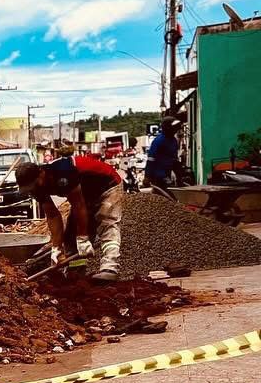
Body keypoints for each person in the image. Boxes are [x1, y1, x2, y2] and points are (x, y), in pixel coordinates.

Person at [15, 154, 122, 284]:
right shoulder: (37, 187)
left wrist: (83, 237)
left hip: (107, 185)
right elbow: (53, 216)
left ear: (41, 174)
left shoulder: (62, 173)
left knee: (107, 223)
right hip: (85, 195)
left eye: (33, 184)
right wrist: (56, 248)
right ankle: (75, 273)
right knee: (70, 235)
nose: (33, 189)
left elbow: (78, 205)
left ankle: (110, 268)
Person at [145, 118, 189, 198]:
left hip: (167, 174)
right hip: (158, 176)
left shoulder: (173, 141)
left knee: (171, 196)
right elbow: (151, 159)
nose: (176, 130)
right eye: (174, 128)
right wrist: (147, 176)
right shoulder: (158, 141)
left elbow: (174, 160)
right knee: (166, 197)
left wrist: (179, 176)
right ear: (168, 128)